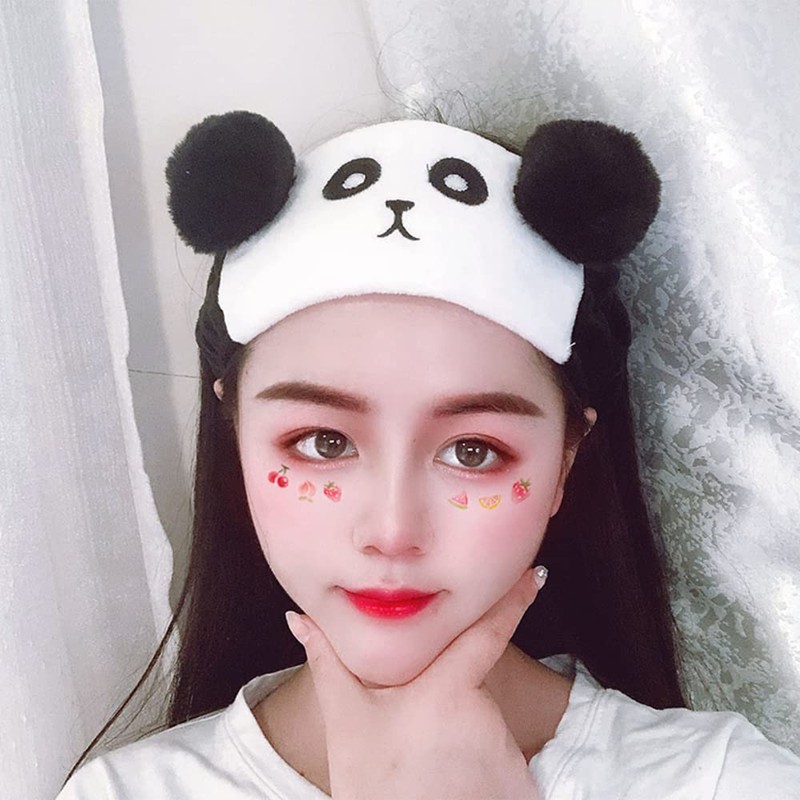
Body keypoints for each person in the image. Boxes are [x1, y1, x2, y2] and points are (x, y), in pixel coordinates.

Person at [58, 113, 800, 798]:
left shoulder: (726, 783)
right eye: (322, 443)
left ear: (566, 462)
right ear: (237, 439)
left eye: (473, 451)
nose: (392, 531)